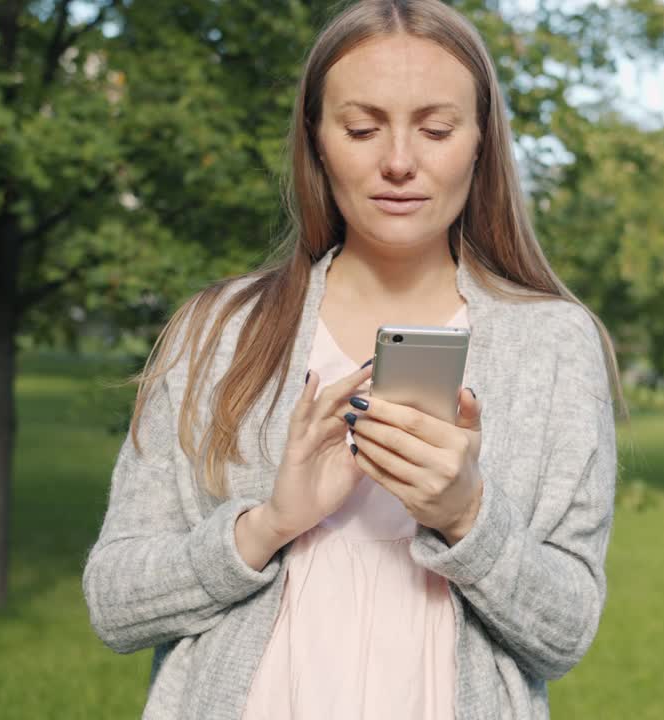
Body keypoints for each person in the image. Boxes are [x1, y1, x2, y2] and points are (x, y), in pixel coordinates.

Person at [82, 1, 622, 718]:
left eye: (436, 128)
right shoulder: (218, 331)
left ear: (480, 142)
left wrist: (467, 516)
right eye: (362, 128)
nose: (399, 161)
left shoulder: (554, 344)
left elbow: (566, 631)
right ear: (317, 140)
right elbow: (115, 603)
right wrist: (269, 523)